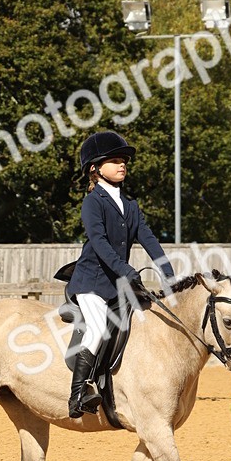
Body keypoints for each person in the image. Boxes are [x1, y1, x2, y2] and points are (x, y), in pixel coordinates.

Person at [66, 130, 176, 418]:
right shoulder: (93, 202)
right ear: (95, 168)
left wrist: (167, 271)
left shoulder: (130, 206)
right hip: (91, 282)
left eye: (124, 160)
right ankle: (77, 393)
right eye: (114, 160)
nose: (122, 164)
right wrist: (126, 269)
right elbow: (99, 243)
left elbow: (148, 238)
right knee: (98, 325)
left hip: (117, 284)